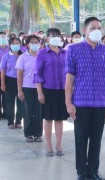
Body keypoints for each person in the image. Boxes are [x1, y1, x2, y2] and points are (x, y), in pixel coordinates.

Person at [65, 17, 105, 180]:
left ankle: (93, 171)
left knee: (96, 139)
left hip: (101, 103)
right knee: (81, 139)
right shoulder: (73, 50)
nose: (96, 30)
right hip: (81, 102)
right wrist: (68, 102)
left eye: (99, 28)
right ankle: (81, 172)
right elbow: (69, 78)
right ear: (85, 31)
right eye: (93, 28)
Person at [34, 28, 68, 156]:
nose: (55, 37)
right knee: (48, 119)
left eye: (57, 35)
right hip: (47, 90)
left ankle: (59, 144)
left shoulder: (65, 53)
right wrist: (40, 92)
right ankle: (49, 145)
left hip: (62, 90)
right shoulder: (42, 53)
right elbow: (37, 74)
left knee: (59, 119)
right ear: (47, 38)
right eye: (52, 35)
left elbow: (70, 73)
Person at [16, 35, 43, 142]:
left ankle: (38, 134)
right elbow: (19, 74)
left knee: (38, 112)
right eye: (32, 42)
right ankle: (28, 134)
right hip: (27, 88)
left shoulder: (42, 56)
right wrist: (19, 90)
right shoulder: (23, 57)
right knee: (27, 112)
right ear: (27, 45)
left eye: (37, 42)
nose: (35, 44)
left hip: (40, 88)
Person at [0, 37, 23, 129]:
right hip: (9, 80)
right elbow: (3, 71)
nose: (16, 45)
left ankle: (18, 121)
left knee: (21, 102)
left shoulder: (23, 56)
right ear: (10, 45)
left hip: (21, 81)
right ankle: (10, 121)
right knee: (10, 102)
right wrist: (3, 83)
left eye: (18, 43)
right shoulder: (6, 56)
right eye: (14, 43)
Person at [0, 31, 9, 119]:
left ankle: (7, 113)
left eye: (4, 37)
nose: (2, 38)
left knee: (6, 95)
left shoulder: (9, 49)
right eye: (1, 37)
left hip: (6, 75)